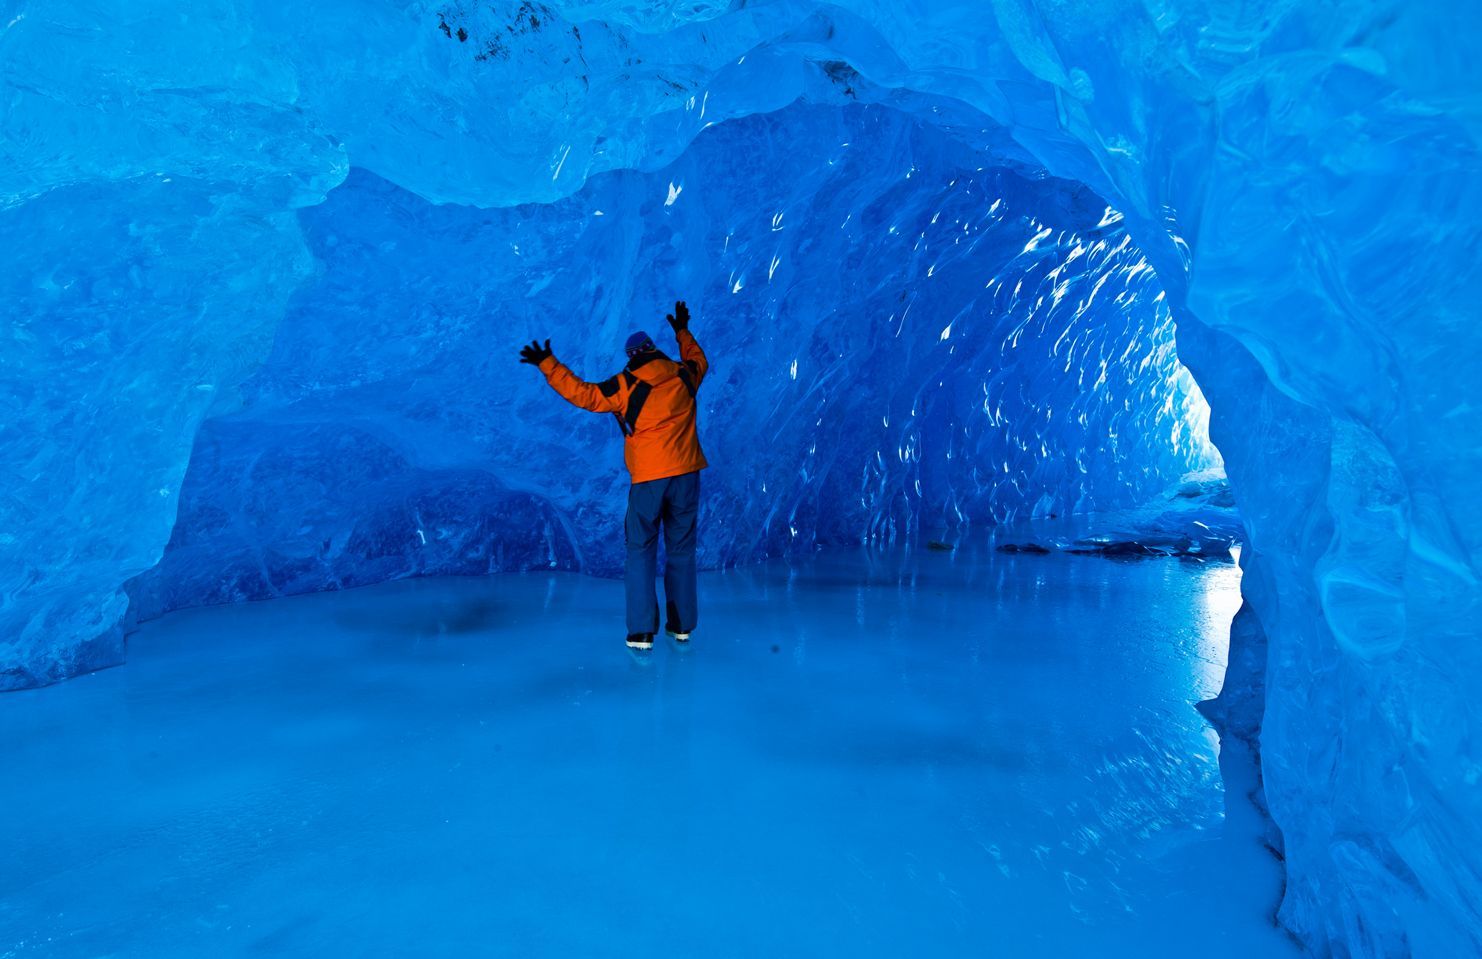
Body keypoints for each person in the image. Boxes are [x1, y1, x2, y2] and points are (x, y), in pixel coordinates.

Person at [519, 301, 708, 651]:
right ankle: (682, 628)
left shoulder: (624, 384)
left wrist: (548, 364)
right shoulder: (685, 374)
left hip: (649, 479)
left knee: (640, 551)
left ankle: (640, 633)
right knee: (682, 550)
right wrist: (682, 330)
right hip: (686, 474)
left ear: (632, 356)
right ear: (653, 350)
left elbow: (585, 395)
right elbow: (700, 359)